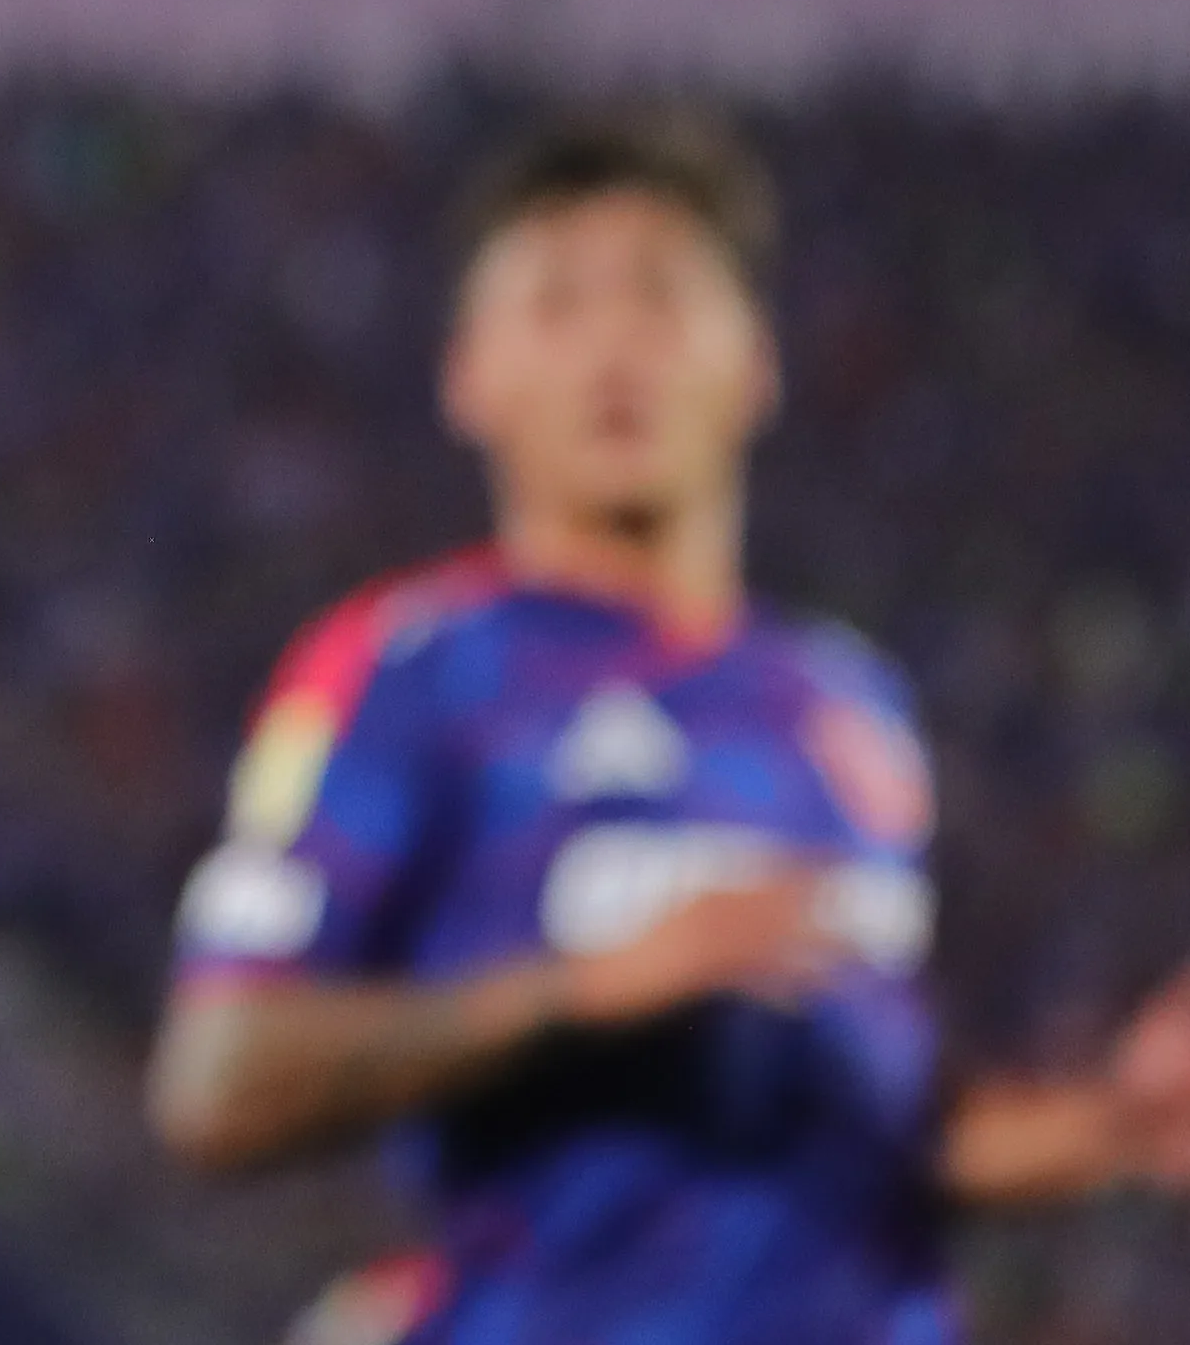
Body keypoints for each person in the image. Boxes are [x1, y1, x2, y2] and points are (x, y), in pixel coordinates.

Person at [149, 108, 1190, 1340]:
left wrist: (1118, 1121)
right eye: (556, 304)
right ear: (470, 378)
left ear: (756, 361)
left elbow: (882, 1132)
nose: (614, 349)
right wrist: (582, 990)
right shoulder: (413, 671)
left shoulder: (843, 700)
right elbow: (218, 1082)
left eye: (660, 295)